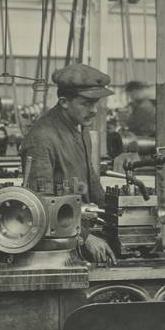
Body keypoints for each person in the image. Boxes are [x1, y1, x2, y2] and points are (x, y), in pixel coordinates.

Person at [20, 62, 116, 263]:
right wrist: (86, 238)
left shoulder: (80, 128)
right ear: (64, 102)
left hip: (80, 229)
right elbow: (41, 203)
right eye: (86, 104)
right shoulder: (42, 137)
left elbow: (90, 178)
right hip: (58, 245)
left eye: (96, 103)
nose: (94, 110)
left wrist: (116, 214)